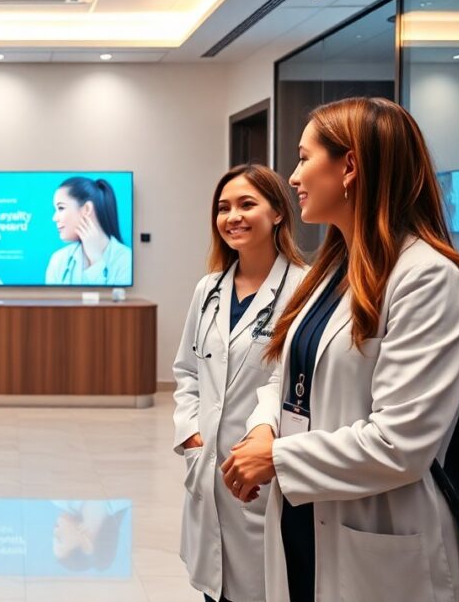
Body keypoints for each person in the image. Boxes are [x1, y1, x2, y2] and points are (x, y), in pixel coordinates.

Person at [219, 97, 459, 602]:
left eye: (304, 158)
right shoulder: (331, 271)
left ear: (350, 167)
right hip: (303, 524)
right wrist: (263, 428)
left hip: (378, 539)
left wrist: (276, 457)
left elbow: (400, 443)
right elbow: (286, 378)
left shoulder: (427, 278)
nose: (293, 177)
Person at [172, 164, 307, 602]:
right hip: (209, 470)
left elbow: (293, 383)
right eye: (223, 208)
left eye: (247, 204)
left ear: (278, 213)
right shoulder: (208, 289)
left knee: (268, 586)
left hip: (266, 475)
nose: (233, 217)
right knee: (215, 589)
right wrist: (192, 436)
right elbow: (187, 371)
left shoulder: (305, 289)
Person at [45, 177, 132, 285]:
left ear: (86, 209)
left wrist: (96, 261)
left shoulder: (126, 260)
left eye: (61, 208)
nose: (54, 218)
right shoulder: (58, 260)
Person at [51, 500, 130, 572]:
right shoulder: (124, 501)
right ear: (86, 545)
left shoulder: (59, 499)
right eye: (59, 538)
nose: (54, 530)